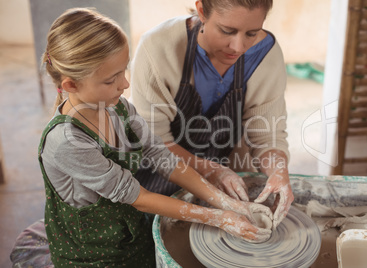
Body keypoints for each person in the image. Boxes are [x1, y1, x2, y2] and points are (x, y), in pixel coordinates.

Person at [39, 7, 273, 267]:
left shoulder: (120, 108)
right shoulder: (67, 142)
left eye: (123, 71)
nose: (125, 84)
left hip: (129, 232)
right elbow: (137, 197)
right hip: (92, 252)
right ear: (71, 85)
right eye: (111, 80)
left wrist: (229, 204)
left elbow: (162, 157)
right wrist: (218, 217)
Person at [131, 0, 294, 228]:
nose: (238, 47)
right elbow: (153, 141)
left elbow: (268, 136)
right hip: (157, 171)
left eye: (252, 33)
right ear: (201, 11)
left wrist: (278, 172)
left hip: (224, 169)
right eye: (227, 31)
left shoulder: (266, 56)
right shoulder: (158, 47)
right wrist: (209, 170)